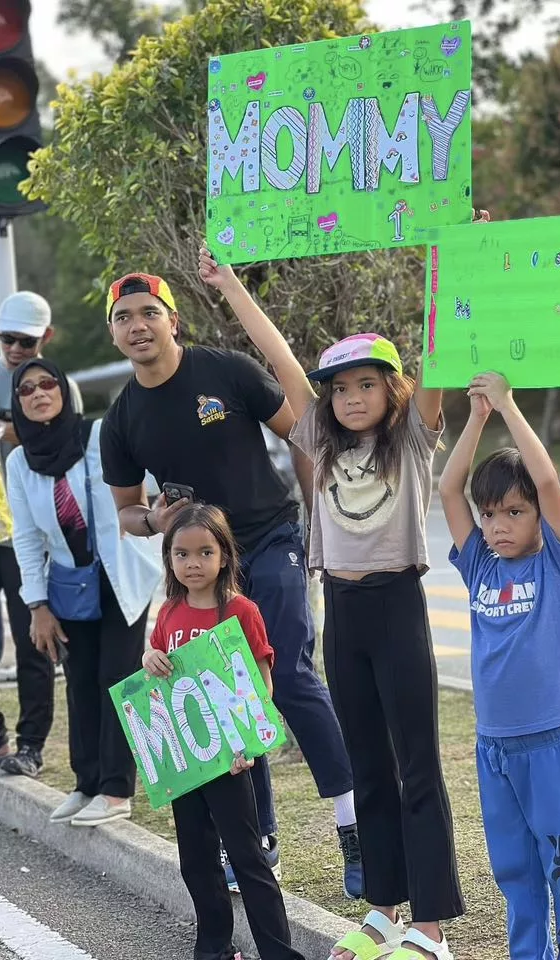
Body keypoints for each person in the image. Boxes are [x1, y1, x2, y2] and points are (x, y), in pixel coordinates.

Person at [198, 246, 465, 960]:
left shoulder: (411, 441)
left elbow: (437, 360)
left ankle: (431, 928)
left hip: (397, 606)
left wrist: (451, 265)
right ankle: (383, 911)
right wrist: (227, 285)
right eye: (338, 388)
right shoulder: (318, 435)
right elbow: (276, 351)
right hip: (342, 612)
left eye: (364, 385)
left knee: (417, 765)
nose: (349, 398)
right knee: (368, 764)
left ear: (391, 390)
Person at [98, 273, 360, 897]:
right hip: (200, 567)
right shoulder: (122, 419)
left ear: (172, 320)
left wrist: (318, 518)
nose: (137, 326)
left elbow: (300, 433)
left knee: (291, 676)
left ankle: (356, 825)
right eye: (123, 318)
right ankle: (259, 841)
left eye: (148, 313)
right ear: (114, 332)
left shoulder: (227, 371)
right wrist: (155, 520)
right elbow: (127, 513)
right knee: (224, 696)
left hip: (270, 540)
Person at [438, 372, 560, 960]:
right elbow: (449, 490)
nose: (498, 525)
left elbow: (549, 479)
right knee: (515, 870)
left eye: (513, 511)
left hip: (546, 743)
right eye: (490, 514)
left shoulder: (555, 564)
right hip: (493, 746)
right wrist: (475, 418)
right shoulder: (480, 565)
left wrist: (506, 405)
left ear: (537, 517)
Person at [144, 502, 306, 960]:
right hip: (185, 760)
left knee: (247, 859)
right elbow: (157, 668)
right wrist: (147, 659)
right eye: (181, 554)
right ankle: (213, 947)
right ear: (169, 558)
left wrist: (248, 744)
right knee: (195, 861)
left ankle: (278, 951)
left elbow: (262, 681)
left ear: (224, 555)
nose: (193, 563)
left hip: (231, 760)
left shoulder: (241, 610)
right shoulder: (170, 611)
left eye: (204, 552)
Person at [5, 358, 161, 825]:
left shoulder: (97, 435)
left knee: (118, 678)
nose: (38, 393)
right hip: (69, 585)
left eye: (47, 383)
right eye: (26, 389)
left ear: (64, 389)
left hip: (120, 574)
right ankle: (86, 782)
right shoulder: (19, 462)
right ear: (18, 403)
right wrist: (37, 604)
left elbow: (141, 489)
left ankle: (116, 790)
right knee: (80, 683)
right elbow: (29, 540)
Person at [0, 291, 84, 778]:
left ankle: (30, 746)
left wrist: (17, 435)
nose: (14, 349)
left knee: (37, 637)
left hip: (28, 532)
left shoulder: (57, 385)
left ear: (45, 338)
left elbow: (68, 447)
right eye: (6, 339)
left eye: (25, 342)